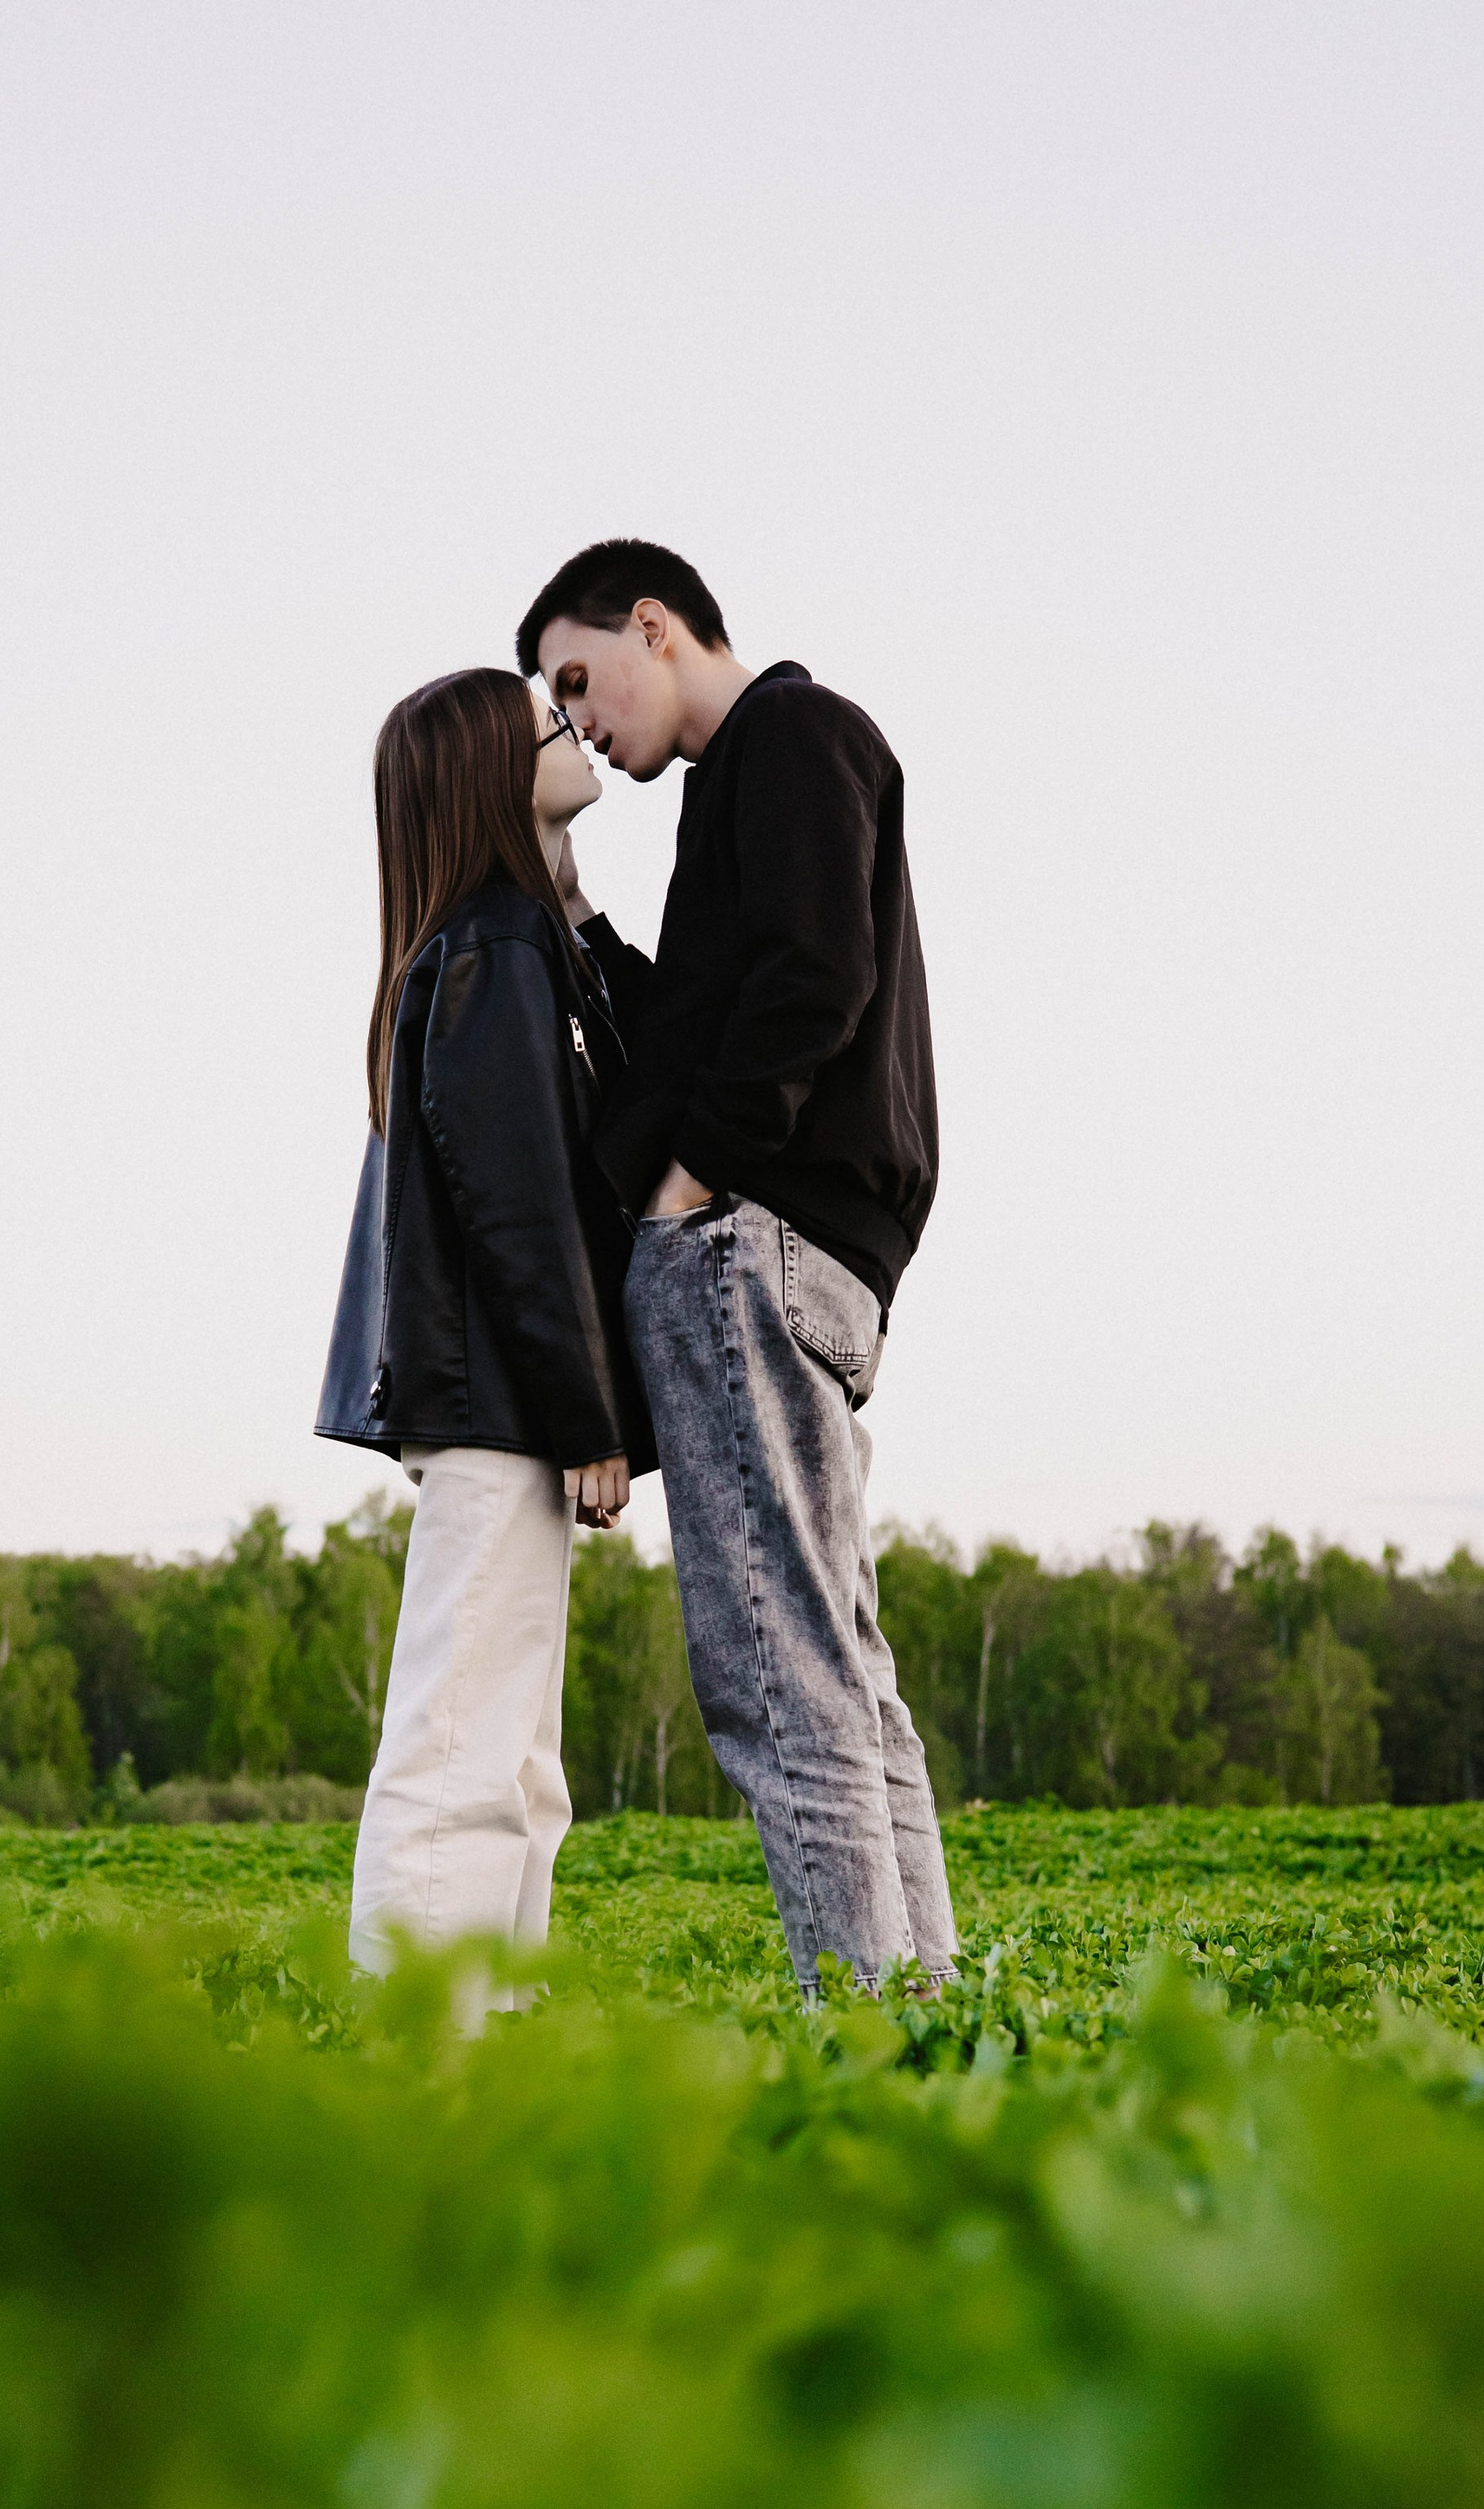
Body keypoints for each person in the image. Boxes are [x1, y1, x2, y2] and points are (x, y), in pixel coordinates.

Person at [516, 539, 958, 2000]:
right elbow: (701, 1021)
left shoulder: (790, 736)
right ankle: (928, 2018)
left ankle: (867, 2045)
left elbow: (812, 981)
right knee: (840, 1662)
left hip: (747, 1249)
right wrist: (576, 908)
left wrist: (693, 1183)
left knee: (777, 1678)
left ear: (656, 623)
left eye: (580, 679)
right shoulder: (754, 781)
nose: (578, 721)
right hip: (814, 1251)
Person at [317, 665, 651, 1986]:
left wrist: (571, 891)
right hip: (503, 1405)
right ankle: (416, 2062)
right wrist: (588, 1416)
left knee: (514, 1757)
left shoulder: (516, 935)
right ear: (486, 781)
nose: (574, 730)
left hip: (498, 1402)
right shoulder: (495, 949)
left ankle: (487, 2046)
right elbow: (520, 1205)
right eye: (546, 726)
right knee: (461, 1743)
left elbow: (624, 1068)